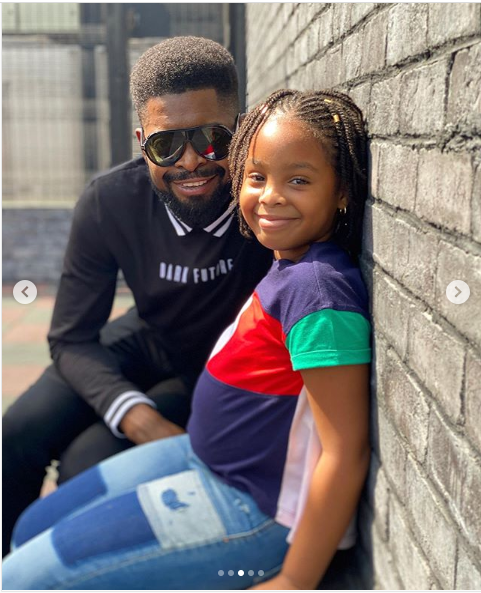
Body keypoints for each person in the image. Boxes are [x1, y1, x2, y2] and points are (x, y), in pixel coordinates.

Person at [2, 89, 372, 590]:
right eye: (257, 177)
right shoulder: (291, 262)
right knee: (28, 525)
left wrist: (294, 579)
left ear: (342, 191)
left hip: (251, 504)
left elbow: (345, 451)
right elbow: (70, 338)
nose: (271, 196)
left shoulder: (317, 291)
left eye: (299, 180)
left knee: (21, 579)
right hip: (205, 456)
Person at [2, 36, 273, 556]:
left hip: (215, 367)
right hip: (151, 335)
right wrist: (137, 416)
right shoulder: (110, 202)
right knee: (19, 430)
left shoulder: (266, 206)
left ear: (241, 132)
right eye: (166, 145)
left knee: (85, 465)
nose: (190, 162)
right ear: (141, 141)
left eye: (212, 139)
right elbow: (72, 339)